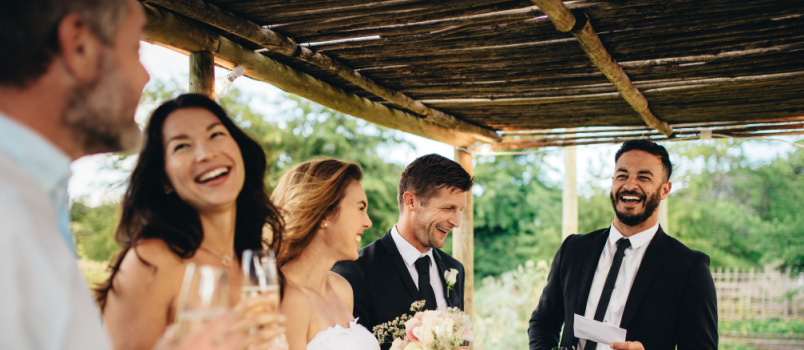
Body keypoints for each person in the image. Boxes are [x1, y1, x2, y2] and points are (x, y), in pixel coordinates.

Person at [96, 94, 287, 350]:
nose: (205, 153)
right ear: (164, 178)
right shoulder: (153, 260)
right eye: (182, 146)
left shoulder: (253, 265)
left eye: (216, 134)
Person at [528, 139, 718, 350]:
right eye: (622, 176)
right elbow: (542, 323)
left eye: (643, 177)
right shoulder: (573, 249)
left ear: (665, 190)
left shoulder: (689, 268)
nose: (629, 185)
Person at [332, 154, 472, 347]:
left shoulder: (454, 269)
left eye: (460, 210)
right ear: (411, 201)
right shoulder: (354, 272)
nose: (456, 222)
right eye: (448, 208)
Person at [270, 158, 379, 350]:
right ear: (325, 213)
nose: (368, 222)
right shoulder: (285, 297)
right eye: (360, 208)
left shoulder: (342, 289)